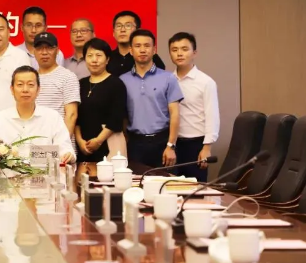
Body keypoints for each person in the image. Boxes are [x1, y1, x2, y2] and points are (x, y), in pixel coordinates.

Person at [0, 66, 76, 164]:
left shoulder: (53, 117)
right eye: (20, 84)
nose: (25, 89)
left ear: (38, 90)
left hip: (45, 173)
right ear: (12, 89)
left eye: (30, 85)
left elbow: (65, 149)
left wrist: (67, 155)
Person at [120, 30, 183, 168]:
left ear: (154, 50)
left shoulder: (168, 78)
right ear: (131, 50)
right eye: (138, 46)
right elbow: (122, 115)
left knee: (164, 180)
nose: (142, 50)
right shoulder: (122, 80)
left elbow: (175, 114)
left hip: (162, 142)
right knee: (136, 181)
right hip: (135, 144)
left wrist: (171, 145)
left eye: (147, 46)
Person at [169, 32, 220, 181]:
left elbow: (212, 117)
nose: (179, 53)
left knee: (195, 189)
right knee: (170, 187)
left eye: (185, 49)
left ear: (194, 53)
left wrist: (207, 148)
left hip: (196, 145)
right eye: (174, 50)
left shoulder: (206, 82)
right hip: (172, 144)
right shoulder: (167, 80)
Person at [75, 38, 127, 162]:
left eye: (99, 55)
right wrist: (80, 141)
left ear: (107, 59)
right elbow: (75, 116)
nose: (94, 60)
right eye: (90, 56)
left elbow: (116, 118)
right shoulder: (80, 84)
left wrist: (98, 141)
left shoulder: (116, 84)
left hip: (108, 143)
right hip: (83, 145)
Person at [33, 32, 80, 137]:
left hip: (59, 141)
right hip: (34, 141)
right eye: (40, 48)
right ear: (34, 52)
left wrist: (63, 142)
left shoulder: (68, 76)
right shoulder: (30, 77)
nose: (44, 52)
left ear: (57, 50)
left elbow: (71, 114)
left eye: (49, 48)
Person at [107, 11, 165, 76]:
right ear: (113, 33)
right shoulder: (106, 57)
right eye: (118, 26)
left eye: (128, 25)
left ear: (138, 31)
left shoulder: (149, 57)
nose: (122, 30)